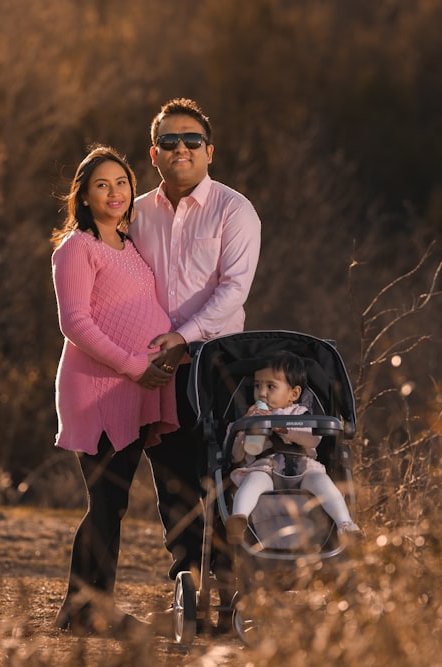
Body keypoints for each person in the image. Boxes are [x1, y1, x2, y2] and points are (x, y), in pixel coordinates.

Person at [129, 98, 262, 585]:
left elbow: (233, 292)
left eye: (191, 140)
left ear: (210, 151)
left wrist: (180, 336)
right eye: (169, 141)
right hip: (156, 368)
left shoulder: (235, 210)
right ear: (153, 153)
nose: (180, 148)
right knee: (171, 477)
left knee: (226, 477)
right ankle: (186, 577)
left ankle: (228, 585)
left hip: (218, 365)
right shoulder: (136, 213)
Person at [50, 145, 179, 637]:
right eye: (102, 185)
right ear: (83, 194)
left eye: (122, 183)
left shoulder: (129, 246)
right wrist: (133, 366)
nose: (115, 193)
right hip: (100, 388)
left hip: (134, 388)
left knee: (113, 501)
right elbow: (75, 322)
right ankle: (89, 609)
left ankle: (83, 608)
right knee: (106, 500)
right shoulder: (76, 248)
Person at [224, 350, 362, 544]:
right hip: (265, 469)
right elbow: (235, 456)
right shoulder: (250, 417)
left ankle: (345, 524)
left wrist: (281, 427)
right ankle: (239, 519)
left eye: (271, 386)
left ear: (294, 393)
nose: (261, 393)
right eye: (257, 386)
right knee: (252, 482)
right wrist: (243, 428)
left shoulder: (300, 413)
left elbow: (312, 439)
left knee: (323, 483)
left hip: (304, 470)